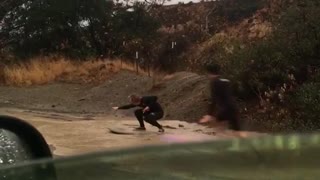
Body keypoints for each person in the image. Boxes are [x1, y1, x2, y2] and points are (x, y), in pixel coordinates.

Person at [199, 64, 241, 131]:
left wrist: (209, 114)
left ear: (209, 73)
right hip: (234, 109)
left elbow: (213, 100)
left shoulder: (214, 83)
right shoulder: (226, 81)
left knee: (215, 127)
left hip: (226, 110)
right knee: (236, 131)